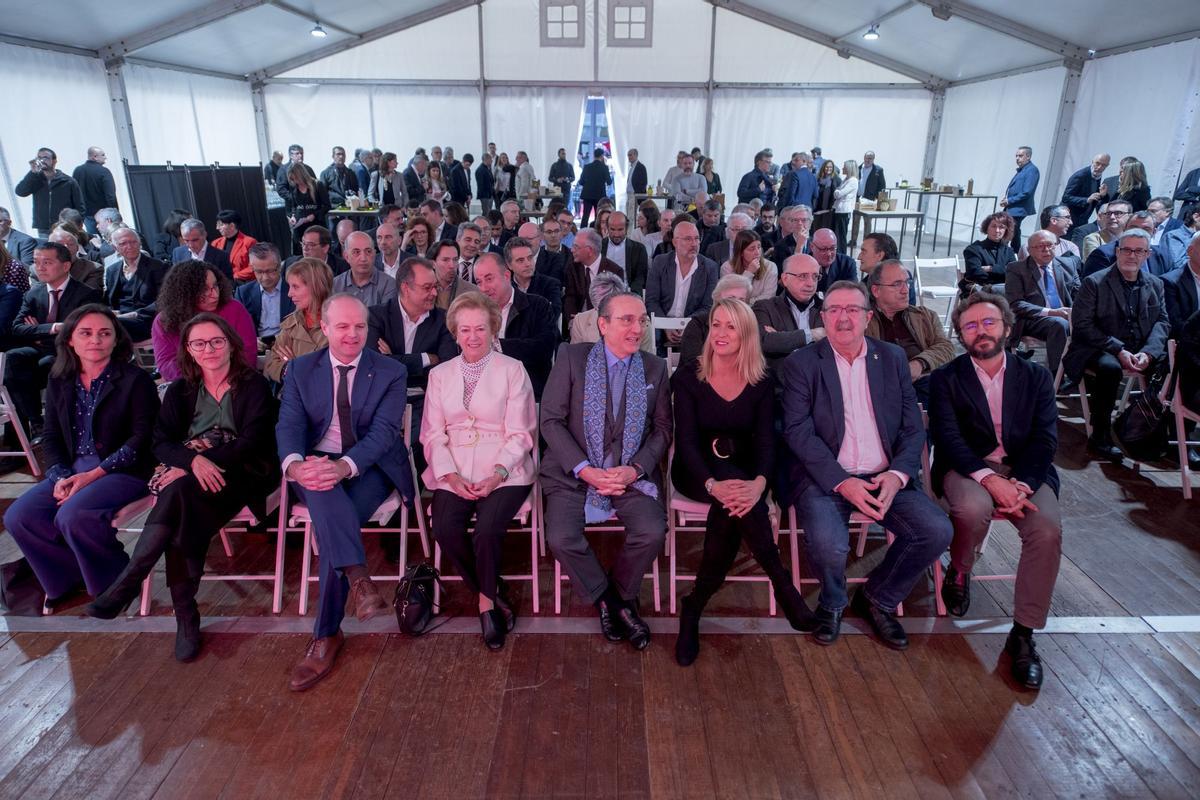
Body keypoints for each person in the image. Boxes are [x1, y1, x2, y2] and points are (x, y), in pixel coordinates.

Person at [86, 313, 278, 663]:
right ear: (188, 350)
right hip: (192, 480)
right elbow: (159, 442)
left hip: (244, 474)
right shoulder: (180, 389)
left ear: (231, 345)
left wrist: (200, 463)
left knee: (179, 497)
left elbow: (253, 442)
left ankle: (153, 595)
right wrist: (192, 463)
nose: (209, 349)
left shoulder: (254, 384)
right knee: (182, 501)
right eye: (199, 343)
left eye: (217, 341)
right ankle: (182, 612)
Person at [780, 280, 953, 650]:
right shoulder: (801, 364)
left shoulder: (890, 359)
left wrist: (897, 474)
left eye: (852, 310)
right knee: (829, 545)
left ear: (868, 316)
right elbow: (797, 433)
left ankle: (879, 598)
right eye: (834, 310)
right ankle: (833, 602)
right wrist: (843, 482)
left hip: (885, 475)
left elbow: (912, 427)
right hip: (824, 478)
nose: (843, 318)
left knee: (936, 531)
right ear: (822, 317)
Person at [276, 294, 414, 690]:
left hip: (369, 467)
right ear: (325, 328)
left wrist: (341, 466)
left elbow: (385, 434)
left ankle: (326, 636)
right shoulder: (302, 370)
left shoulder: (388, 371)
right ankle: (358, 581)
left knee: (334, 520)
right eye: (342, 326)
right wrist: (299, 465)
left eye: (360, 327)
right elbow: (288, 427)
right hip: (316, 466)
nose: (352, 334)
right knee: (330, 503)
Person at [673, 298, 815, 665]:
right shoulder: (690, 374)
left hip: (744, 470)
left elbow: (767, 439)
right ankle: (783, 584)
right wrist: (711, 484)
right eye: (716, 324)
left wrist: (760, 485)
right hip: (697, 471)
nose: (720, 333)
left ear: (747, 333)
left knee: (733, 502)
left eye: (730, 326)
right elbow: (686, 442)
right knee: (730, 493)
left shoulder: (762, 379)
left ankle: (694, 605)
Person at [931, 291, 1062, 689]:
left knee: (1047, 531)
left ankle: (1023, 633)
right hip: (968, 468)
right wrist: (990, 480)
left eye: (988, 323)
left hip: (1025, 471)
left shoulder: (1035, 377)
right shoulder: (946, 379)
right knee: (972, 510)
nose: (980, 332)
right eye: (970, 326)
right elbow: (949, 440)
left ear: (1007, 327)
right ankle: (959, 569)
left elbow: (1044, 439)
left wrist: (1020, 483)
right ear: (960, 334)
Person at [540, 291, 671, 650]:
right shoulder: (571, 358)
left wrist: (636, 469)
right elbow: (550, 421)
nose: (637, 328)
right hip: (574, 474)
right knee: (561, 538)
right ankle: (612, 603)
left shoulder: (655, 368)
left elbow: (662, 430)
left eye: (641, 320)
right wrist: (585, 470)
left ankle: (621, 594)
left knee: (651, 532)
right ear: (603, 324)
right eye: (627, 320)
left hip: (630, 475)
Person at [3, 305, 157, 607]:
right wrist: (59, 476)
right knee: (19, 516)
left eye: (104, 333)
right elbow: (51, 437)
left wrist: (93, 475)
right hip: (74, 469)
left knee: (72, 515)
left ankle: (115, 583)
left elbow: (142, 440)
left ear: (116, 340)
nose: (95, 340)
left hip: (125, 471)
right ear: (70, 339)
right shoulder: (60, 379)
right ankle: (69, 578)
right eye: (86, 333)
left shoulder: (135, 379)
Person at [421, 292, 536, 650]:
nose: (473, 337)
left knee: (486, 529)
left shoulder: (512, 369)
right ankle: (492, 589)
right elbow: (431, 433)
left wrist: (498, 474)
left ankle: (485, 604)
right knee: (444, 526)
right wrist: (450, 476)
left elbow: (521, 433)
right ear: (455, 332)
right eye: (466, 329)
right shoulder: (439, 375)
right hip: (452, 466)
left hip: (505, 467)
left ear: (492, 329)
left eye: (480, 329)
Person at [1064, 228, 1170, 461]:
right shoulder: (1095, 282)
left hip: (1140, 347)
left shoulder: (1155, 284)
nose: (1132, 256)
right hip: (1097, 345)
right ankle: (1100, 434)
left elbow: (1162, 322)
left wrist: (1149, 353)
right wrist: (1118, 349)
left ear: (1147, 255)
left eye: (1138, 251)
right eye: (1127, 250)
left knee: (1173, 364)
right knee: (1110, 368)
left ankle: (1153, 428)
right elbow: (1082, 325)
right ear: (1117, 251)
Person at [6, 243, 102, 433]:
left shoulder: (86, 294)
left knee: (45, 364)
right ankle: (36, 422)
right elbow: (17, 327)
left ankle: (59, 425)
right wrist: (54, 328)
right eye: (36, 262)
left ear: (66, 266)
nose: (40, 268)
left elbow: (81, 331)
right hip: (40, 347)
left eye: (47, 262)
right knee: (12, 358)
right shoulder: (34, 293)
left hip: (69, 351)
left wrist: (38, 331)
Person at [865, 259, 954, 405]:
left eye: (907, 282)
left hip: (924, 382)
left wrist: (920, 363)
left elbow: (946, 347)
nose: (905, 290)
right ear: (876, 291)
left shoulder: (925, 316)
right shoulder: (864, 321)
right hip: (884, 389)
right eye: (897, 284)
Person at [151, 261, 257, 382]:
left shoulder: (234, 308)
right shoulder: (164, 321)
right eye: (205, 290)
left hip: (236, 382)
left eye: (215, 286)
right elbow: (166, 364)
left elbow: (248, 353)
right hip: (189, 386)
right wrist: (203, 380)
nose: (215, 295)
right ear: (186, 292)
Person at [366, 255, 457, 395]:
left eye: (435, 286)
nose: (434, 293)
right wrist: (426, 358)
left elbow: (446, 370)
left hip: (425, 399)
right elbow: (374, 367)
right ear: (406, 288)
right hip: (383, 395)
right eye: (427, 288)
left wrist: (392, 358)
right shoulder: (376, 316)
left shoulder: (444, 319)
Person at [472, 252, 557, 398]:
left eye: (489, 279)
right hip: (483, 392)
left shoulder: (538, 305)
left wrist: (496, 346)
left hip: (525, 390)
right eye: (479, 282)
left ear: (506, 276)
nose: (484, 288)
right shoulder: (475, 312)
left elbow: (544, 349)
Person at [1006, 230, 1074, 378]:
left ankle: (1083, 374)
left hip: (1068, 316)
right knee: (1059, 324)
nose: (1046, 250)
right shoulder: (1017, 269)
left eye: (1050, 245)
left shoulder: (1067, 265)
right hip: (1033, 318)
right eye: (1040, 246)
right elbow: (1016, 304)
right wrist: (1052, 312)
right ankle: (1056, 377)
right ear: (1029, 250)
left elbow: (1079, 294)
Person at [646, 221, 719, 350]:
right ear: (675, 242)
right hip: (662, 325)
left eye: (697, 239)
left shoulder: (710, 267)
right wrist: (666, 326)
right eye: (688, 239)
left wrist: (686, 325)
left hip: (693, 325)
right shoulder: (660, 262)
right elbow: (652, 301)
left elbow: (708, 306)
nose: (694, 244)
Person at [263, 258, 333, 384]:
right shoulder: (291, 323)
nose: (289, 294)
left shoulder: (338, 324)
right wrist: (288, 368)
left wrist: (295, 365)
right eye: (290, 287)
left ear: (315, 287)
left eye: (295, 287)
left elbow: (328, 372)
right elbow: (272, 364)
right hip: (291, 395)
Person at [754, 253, 825, 374]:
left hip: (820, 385)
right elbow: (766, 342)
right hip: (781, 388)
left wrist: (784, 339)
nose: (811, 283)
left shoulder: (828, 309)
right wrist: (813, 334)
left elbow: (835, 349)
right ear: (785, 279)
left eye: (815, 276)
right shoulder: (765, 307)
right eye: (803, 276)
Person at [104, 226, 166, 341]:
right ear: (115, 247)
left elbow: (164, 300)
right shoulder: (112, 270)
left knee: (109, 326)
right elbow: (109, 300)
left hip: (146, 320)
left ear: (139, 243)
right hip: (119, 318)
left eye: (133, 242)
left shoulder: (158, 267)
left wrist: (134, 314)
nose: (130, 247)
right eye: (123, 243)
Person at [679, 273, 751, 367]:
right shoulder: (698, 324)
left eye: (741, 300)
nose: (735, 304)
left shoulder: (749, 325)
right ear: (717, 299)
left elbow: (752, 361)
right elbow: (692, 362)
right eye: (730, 299)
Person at [569, 271, 653, 352]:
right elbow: (574, 359)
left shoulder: (642, 324)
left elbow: (647, 362)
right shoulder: (580, 321)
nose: (607, 314)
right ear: (595, 307)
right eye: (601, 310)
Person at [564, 228, 623, 333]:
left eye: (576, 247)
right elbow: (570, 297)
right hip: (579, 323)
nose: (572, 250)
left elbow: (615, 304)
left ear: (589, 250)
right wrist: (573, 321)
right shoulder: (572, 267)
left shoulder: (614, 271)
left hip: (605, 325)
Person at [16, 147, 83, 237]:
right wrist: (32, 173)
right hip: (44, 228)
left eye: (45, 158)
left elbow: (80, 207)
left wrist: (77, 226)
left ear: (54, 161)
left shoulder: (68, 181)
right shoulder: (35, 179)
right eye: (39, 158)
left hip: (65, 227)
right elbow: (20, 192)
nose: (42, 160)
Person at [236, 242, 293, 349]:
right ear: (252, 268)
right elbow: (237, 327)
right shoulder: (243, 293)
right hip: (256, 347)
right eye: (259, 272)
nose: (265, 277)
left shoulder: (293, 288)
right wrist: (250, 340)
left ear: (279, 266)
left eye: (270, 271)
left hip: (289, 346)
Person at [332, 232, 397, 308]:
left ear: (374, 254)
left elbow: (386, 318)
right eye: (356, 252)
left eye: (368, 251)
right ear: (346, 257)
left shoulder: (389, 284)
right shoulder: (335, 285)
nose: (363, 258)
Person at [506, 236, 562, 321]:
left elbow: (552, 316)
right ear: (509, 265)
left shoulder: (550, 285)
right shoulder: (506, 287)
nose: (528, 264)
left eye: (530, 258)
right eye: (521, 260)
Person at [720, 229, 777, 303]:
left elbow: (768, 298)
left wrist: (745, 302)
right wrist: (748, 273)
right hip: (735, 311)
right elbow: (731, 299)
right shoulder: (727, 268)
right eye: (752, 249)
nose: (757, 253)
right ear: (741, 252)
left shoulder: (771, 267)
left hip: (761, 311)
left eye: (759, 247)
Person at [284, 164, 330, 256]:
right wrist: (292, 216)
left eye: (295, 178)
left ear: (301, 175)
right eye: (292, 179)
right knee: (301, 254)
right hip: (300, 227)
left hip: (316, 225)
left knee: (317, 251)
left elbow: (327, 205)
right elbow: (293, 206)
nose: (295, 181)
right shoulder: (294, 188)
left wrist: (315, 215)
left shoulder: (317, 185)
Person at [1000, 146, 1040, 252]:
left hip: (1019, 208)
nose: (1017, 158)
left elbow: (1027, 192)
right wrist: (1007, 197)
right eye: (1016, 156)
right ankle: (1014, 254)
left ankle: (1008, 253)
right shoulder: (1024, 169)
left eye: (1020, 156)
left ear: (1028, 157)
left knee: (1010, 231)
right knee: (1013, 231)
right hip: (1013, 207)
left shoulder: (1032, 170)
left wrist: (1009, 200)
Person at [963, 212, 1016, 289]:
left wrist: (990, 268)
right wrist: (1002, 273)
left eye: (1001, 227)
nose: (997, 230)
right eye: (993, 226)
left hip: (1003, 292)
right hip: (979, 291)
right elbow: (975, 274)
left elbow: (1014, 273)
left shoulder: (1009, 251)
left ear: (1006, 230)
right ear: (987, 228)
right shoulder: (974, 249)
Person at [71, 147, 118, 235]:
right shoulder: (104, 171)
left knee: (96, 238)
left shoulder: (77, 171)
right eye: (103, 155)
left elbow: (74, 193)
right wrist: (114, 211)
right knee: (112, 236)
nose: (105, 157)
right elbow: (110, 194)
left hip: (87, 214)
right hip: (104, 215)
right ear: (95, 157)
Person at [600, 212, 648, 295]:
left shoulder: (639, 249)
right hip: (601, 294)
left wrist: (633, 297)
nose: (616, 234)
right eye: (612, 229)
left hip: (628, 294)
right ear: (607, 228)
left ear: (627, 228)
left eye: (620, 229)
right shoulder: (598, 247)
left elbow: (640, 278)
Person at [1061, 153, 1110, 229]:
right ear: (1092, 162)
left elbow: (1095, 200)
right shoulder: (1080, 176)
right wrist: (1086, 200)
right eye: (1097, 163)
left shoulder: (1098, 176)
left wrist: (1103, 196)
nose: (1099, 167)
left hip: (1082, 220)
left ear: (1107, 166)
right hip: (1068, 219)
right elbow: (1066, 197)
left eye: (1103, 165)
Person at [47, 226, 103, 292]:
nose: (66, 248)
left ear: (77, 248)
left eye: (70, 244)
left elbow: (89, 296)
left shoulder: (92, 269)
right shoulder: (37, 270)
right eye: (60, 244)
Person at [211, 210, 258, 285]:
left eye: (221, 225)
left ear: (232, 226)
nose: (217, 228)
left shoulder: (249, 242)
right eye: (217, 224)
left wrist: (233, 276)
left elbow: (254, 267)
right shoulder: (215, 243)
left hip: (242, 284)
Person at [285, 224, 350, 276]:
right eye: (303, 243)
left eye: (310, 244)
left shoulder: (342, 268)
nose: (305, 248)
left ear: (325, 248)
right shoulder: (290, 264)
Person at [808, 228, 859, 295]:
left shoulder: (847, 264)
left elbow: (852, 292)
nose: (829, 254)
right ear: (812, 247)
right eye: (823, 249)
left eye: (832, 248)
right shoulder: (804, 264)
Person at [578, 148, 613, 229]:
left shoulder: (587, 167)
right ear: (602, 156)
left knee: (585, 215)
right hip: (599, 195)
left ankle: (582, 234)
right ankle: (597, 233)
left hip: (587, 195)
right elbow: (609, 182)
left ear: (594, 156)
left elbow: (581, 181)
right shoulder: (604, 167)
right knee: (598, 216)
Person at [832, 160, 859, 253]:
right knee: (838, 234)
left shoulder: (853, 181)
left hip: (844, 210)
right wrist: (837, 192)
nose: (843, 168)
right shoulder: (846, 179)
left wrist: (837, 192)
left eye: (845, 167)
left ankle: (842, 254)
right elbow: (838, 192)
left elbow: (838, 193)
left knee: (841, 235)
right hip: (839, 209)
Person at [812, 159, 840, 234]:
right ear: (823, 168)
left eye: (830, 167)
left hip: (829, 210)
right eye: (827, 167)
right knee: (816, 230)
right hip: (817, 209)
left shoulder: (836, 179)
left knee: (827, 231)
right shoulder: (817, 179)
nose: (828, 169)